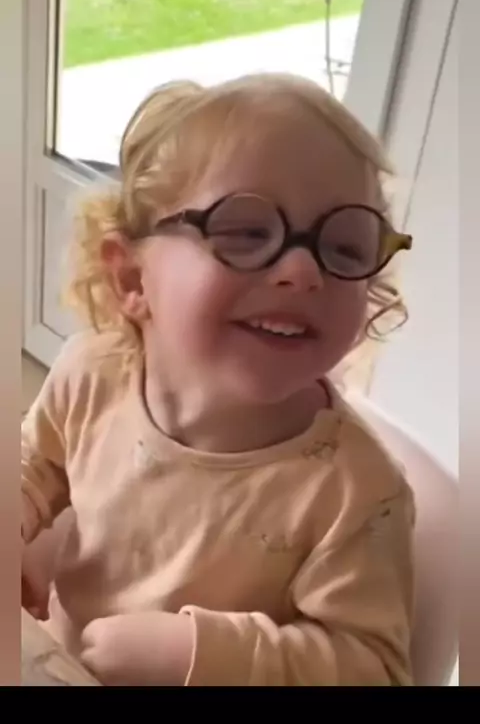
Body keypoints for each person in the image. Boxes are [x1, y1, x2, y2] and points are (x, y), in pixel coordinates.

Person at [21, 73, 415, 686]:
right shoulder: (91, 374)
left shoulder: (358, 493)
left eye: (344, 247)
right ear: (132, 279)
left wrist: (197, 653)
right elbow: (36, 462)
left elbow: (375, 669)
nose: (302, 270)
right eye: (247, 232)